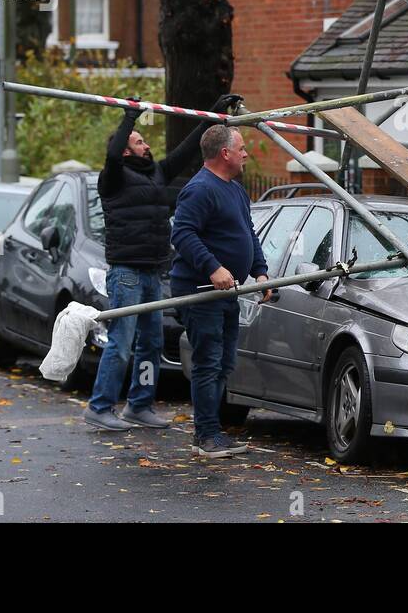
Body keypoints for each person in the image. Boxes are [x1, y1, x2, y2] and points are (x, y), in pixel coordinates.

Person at [84, 95, 237, 431]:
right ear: (126, 149)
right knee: (121, 344)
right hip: (125, 272)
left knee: (150, 344)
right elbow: (111, 154)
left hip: (153, 271)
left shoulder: (155, 173)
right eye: (139, 142)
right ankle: (100, 406)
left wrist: (211, 115)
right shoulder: (112, 177)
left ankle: (139, 405)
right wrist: (130, 119)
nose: (146, 144)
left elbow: (184, 153)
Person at [170, 125, 272, 458]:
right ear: (224, 153)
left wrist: (259, 271)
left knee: (224, 362)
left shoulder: (236, 190)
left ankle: (214, 431)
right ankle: (206, 435)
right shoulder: (199, 189)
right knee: (208, 362)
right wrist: (213, 267)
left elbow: (249, 234)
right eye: (241, 148)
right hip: (200, 292)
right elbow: (183, 234)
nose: (246, 154)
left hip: (227, 293)